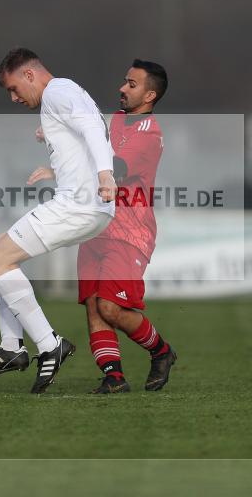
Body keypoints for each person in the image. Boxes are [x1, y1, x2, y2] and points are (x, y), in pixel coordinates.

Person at [0, 47, 117, 394]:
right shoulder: (62, 97)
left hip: (80, 205)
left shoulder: (59, 92)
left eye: (14, 89)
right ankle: (10, 346)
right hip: (88, 205)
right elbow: (89, 133)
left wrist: (106, 176)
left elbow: (95, 129)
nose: (14, 98)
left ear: (30, 74)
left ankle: (49, 345)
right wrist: (59, 164)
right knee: (0, 257)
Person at [76, 59, 176, 394]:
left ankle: (161, 351)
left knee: (111, 307)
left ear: (149, 95)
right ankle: (114, 377)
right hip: (95, 226)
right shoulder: (117, 119)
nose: (122, 88)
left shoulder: (150, 134)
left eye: (131, 85)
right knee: (94, 304)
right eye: (124, 81)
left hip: (129, 233)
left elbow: (114, 168)